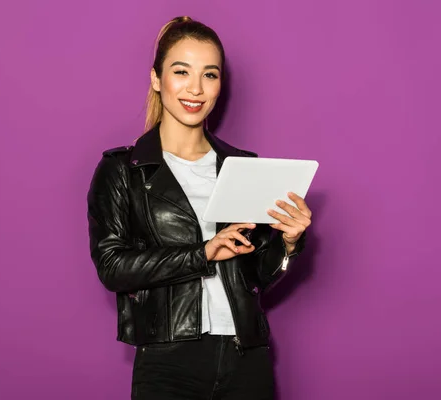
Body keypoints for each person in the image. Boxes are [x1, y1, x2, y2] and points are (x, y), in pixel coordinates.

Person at [87, 16, 312, 400]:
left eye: (210, 75)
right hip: (168, 360)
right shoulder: (124, 170)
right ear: (157, 79)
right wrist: (203, 253)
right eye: (181, 71)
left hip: (247, 356)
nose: (196, 88)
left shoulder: (242, 167)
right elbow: (113, 268)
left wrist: (288, 244)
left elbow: (254, 275)